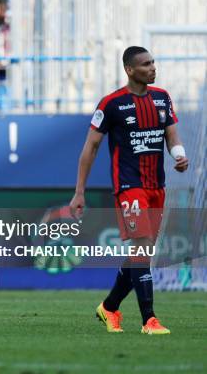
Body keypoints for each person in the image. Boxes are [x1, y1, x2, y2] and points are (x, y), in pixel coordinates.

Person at [69, 46, 189, 335]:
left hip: (156, 187)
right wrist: (79, 191)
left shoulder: (162, 98)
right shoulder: (111, 104)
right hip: (128, 187)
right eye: (146, 64)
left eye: (153, 63)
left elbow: (171, 134)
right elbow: (91, 147)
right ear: (130, 70)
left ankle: (109, 307)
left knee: (141, 253)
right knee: (143, 246)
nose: (152, 67)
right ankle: (149, 319)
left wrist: (178, 154)